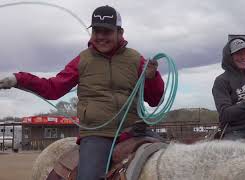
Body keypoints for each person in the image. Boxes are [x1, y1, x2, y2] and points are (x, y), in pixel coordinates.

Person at [0, 5, 164, 180]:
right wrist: (18, 79)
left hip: (134, 130)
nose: (100, 37)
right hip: (98, 134)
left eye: (106, 32)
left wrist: (152, 78)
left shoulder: (136, 60)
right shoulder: (82, 60)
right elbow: (53, 88)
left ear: (120, 32)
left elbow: (155, 100)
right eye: (96, 31)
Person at [212, 37, 245, 141]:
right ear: (229, 57)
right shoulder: (221, 81)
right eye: (238, 54)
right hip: (234, 132)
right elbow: (225, 115)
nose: (243, 57)